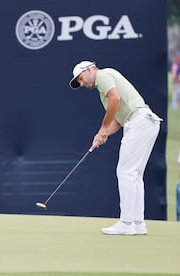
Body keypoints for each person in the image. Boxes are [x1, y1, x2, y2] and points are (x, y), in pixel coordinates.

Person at [69, 61, 162, 235]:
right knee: (134, 174)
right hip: (146, 122)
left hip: (140, 122)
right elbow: (118, 119)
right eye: (79, 83)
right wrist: (102, 135)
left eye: (80, 79)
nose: (81, 84)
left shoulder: (103, 75)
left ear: (89, 69)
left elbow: (115, 99)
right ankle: (137, 223)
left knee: (125, 172)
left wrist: (103, 128)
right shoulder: (102, 88)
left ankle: (126, 223)